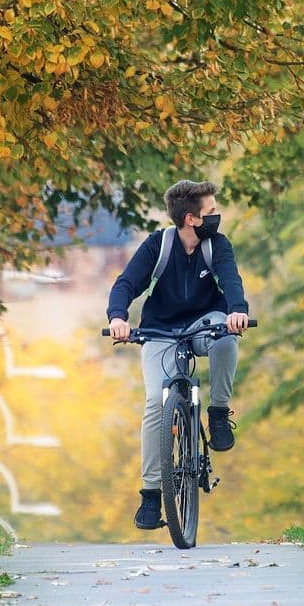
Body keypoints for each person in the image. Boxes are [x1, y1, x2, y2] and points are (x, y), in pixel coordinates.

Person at [106, 180, 251, 530]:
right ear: (191, 219)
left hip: (205, 325)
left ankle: (217, 413)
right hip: (160, 331)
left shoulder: (217, 245)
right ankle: (152, 495)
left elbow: (231, 280)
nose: (217, 216)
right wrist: (117, 317)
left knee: (226, 338)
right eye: (212, 211)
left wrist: (236, 310)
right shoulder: (159, 245)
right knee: (156, 401)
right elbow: (126, 283)